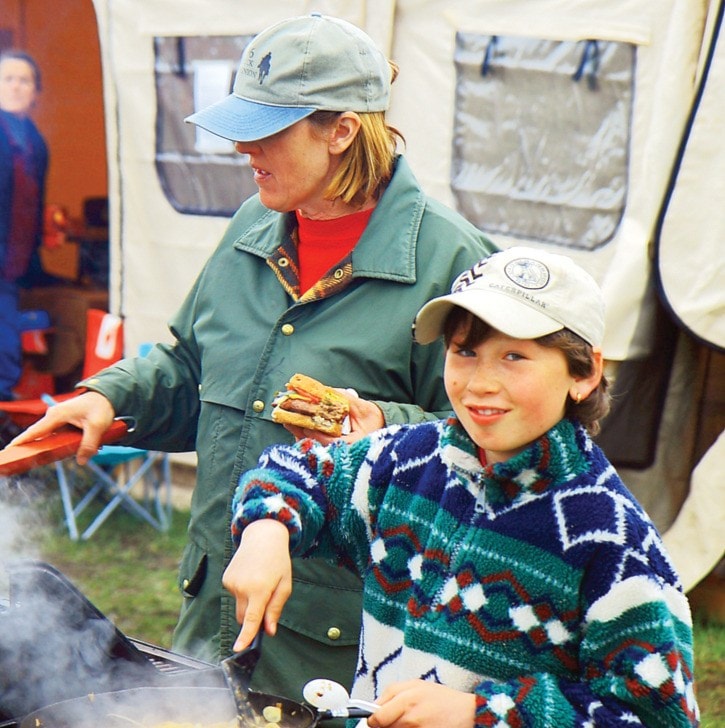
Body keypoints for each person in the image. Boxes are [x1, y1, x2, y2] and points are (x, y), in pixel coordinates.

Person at [7, 13, 496, 708]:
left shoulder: (452, 264)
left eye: (267, 130)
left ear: (340, 130)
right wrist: (110, 396)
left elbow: (494, 452)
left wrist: (373, 424)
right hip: (210, 620)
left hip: (344, 657)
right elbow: (190, 367)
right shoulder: (249, 230)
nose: (241, 147)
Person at [223, 246, 699, 727]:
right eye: (465, 351)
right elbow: (298, 469)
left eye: (514, 356)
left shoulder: (613, 541)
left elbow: (655, 718)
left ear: (585, 374)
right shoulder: (410, 460)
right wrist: (267, 528)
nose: (480, 383)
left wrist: (483, 715)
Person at [0, 50, 48, 402]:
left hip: (14, 258)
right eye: (8, 79)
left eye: (24, 80)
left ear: (35, 91)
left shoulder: (35, 139)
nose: (16, 87)